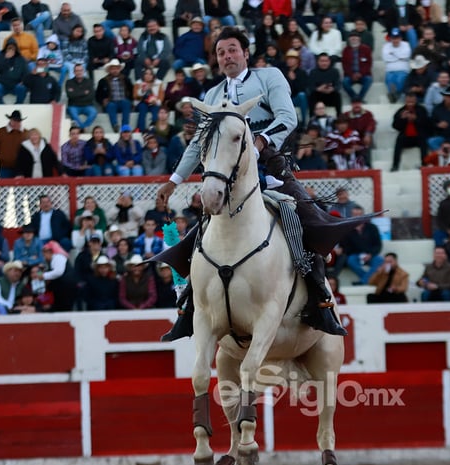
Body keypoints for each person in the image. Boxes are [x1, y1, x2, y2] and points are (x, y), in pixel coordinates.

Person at [156, 26, 363, 340]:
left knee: (304, 217)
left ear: (245, 52)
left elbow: (287, 117)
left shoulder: (270, 77)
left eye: (232, 50)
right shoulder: (212, 96)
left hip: (271, 166)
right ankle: (189, 306)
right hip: (228, 176)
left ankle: (320, 300)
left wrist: (259, 144)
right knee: (203, 229)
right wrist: (173, 181)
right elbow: (199, 143)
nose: (227, 56)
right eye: (221, 52)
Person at [340, 219, 383, 284]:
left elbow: (378, 245)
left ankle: (363, 281)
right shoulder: (349, 229)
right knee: (350, 260)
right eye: (355, 215)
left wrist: (370, 254)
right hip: (356, 254)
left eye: (359, 215)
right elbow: (346, 246)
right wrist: (355, 233)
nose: (357, 217)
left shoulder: (372, 228)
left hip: (371, 255)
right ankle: (369, 279)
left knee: (379, 260)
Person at [0, 109, 27, 178]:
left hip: (20, 168)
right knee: (4, 187)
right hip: (4, 166)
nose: (16, 123)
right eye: (14, 120)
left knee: (20, 188)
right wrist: (0, 157)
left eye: (18, 121)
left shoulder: (25, 133)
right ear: (10, 120)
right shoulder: (0, 132)